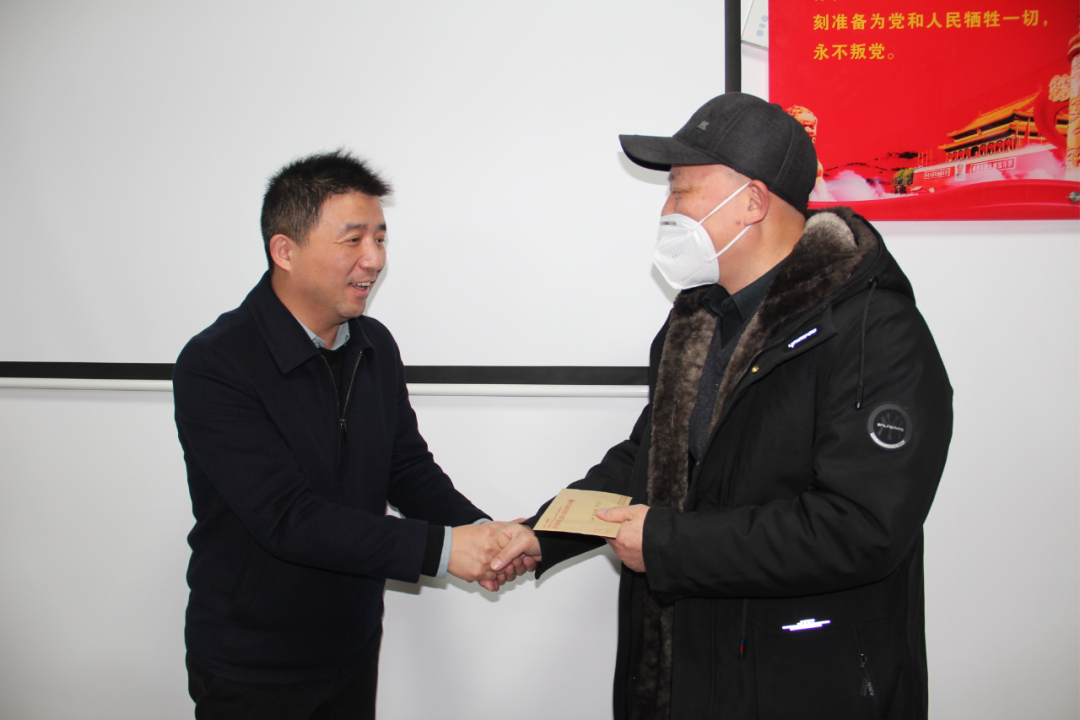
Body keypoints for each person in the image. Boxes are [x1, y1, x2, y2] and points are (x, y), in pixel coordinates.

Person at [492, 94, 952, 720]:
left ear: (754, 201)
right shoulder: (697, 321)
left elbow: (861, 528)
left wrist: (670, 544)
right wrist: (542, 534)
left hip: (806, 680)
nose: (667, 211)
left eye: (681, 191)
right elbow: (647, 458)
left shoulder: (875, 332)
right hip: (690, 670)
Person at [173, 150, 534, 719]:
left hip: (352, 648)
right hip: (253, 664)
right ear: (284, 251)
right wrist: (445, 550)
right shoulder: (217, 363)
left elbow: (406, 467)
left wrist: (483, 534)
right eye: (353, 240)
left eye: (381, 239)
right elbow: (287, 518)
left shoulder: (374, 345)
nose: (374, 259)